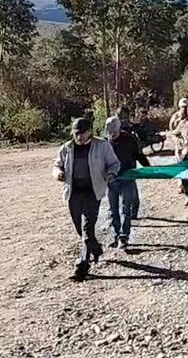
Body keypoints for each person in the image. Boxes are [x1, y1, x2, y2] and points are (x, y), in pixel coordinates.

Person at [53, 118, 121, 282]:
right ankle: (95, 248)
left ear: (89, 131)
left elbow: (114, 163)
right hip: (73, 192)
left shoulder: (102, 146)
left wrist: (111, 174)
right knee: (80, 228)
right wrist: (58, 174)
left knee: (87, 228)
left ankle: (82, 265)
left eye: (82, 133)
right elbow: (57, 165)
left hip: (92, 191)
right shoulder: (67, 148)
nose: (79, 137)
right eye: (76, 134)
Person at [104, 117, 151, 249]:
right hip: (112, 180)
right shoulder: (104, 143)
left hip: (127, 178)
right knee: (113, 210)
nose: (112, 133)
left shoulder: (130, 140)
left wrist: (149, 168)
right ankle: (116, 235)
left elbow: (139, 155)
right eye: (109, 131)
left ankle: (124, 236)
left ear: (119, 128)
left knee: (126, 208)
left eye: (114, 130)